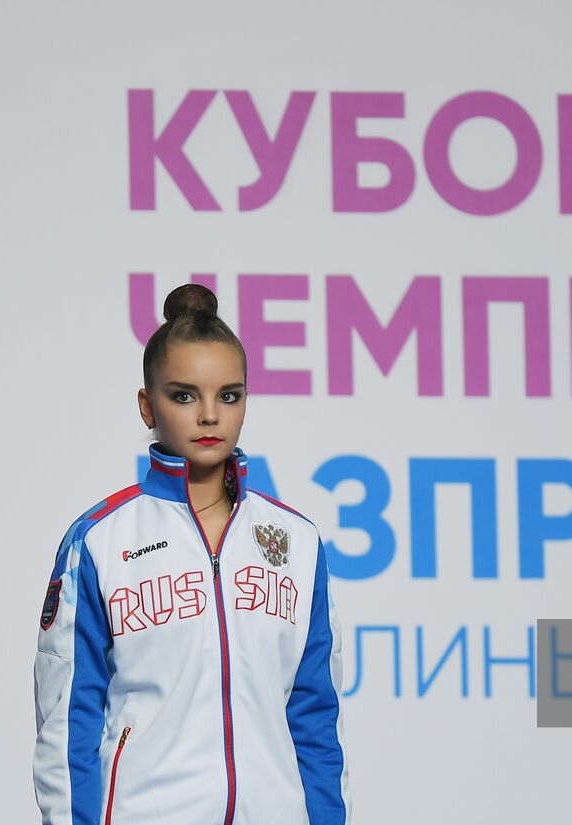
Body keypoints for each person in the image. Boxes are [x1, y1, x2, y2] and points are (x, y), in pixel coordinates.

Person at [33, 284, 350, 824]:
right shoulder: (101, 540)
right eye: (184, 396)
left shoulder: (296, 541)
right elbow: (67, 722)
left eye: (229, 396)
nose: (209, 415)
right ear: (147, 406)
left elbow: (316, 717)